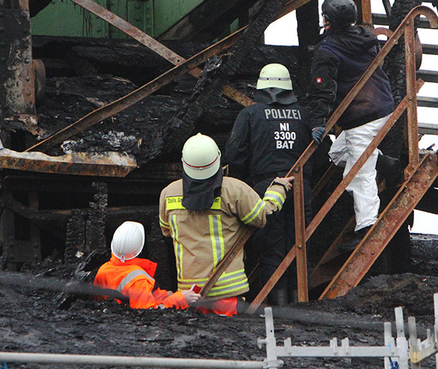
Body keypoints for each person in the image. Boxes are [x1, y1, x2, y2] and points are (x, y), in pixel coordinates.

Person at [159, 133, 293, 316]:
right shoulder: (234, 190)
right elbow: (263, 216)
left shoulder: (168, 194)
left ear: (184, 163)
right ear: (218, 160)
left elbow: (166, 231)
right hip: (227, 294)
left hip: (189, 293)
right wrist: (278, 188)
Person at [310, 0, 395, 252]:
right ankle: (381, 159)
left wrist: (317, 121)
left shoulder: (328, 50)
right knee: (337, 155)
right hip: (383, 106)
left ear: (328, 20)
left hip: (362, 117)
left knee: (359, 173)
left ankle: (367, 228)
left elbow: (322, 89)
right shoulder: (365, 38)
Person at [225, 63, 313, 305]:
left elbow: (234, 154)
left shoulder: (250, 115)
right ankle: (300, 301)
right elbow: (322, 153)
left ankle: (278, 304)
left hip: (266, 188)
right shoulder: (305, 115)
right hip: (301, 187)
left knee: (270, 247)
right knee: (300, 243)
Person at [94, 221, 200, 309]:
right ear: (140, 250)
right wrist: (180, 299)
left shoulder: (103, 270)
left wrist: (163, 296)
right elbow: (149, 314)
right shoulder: (139, 281)